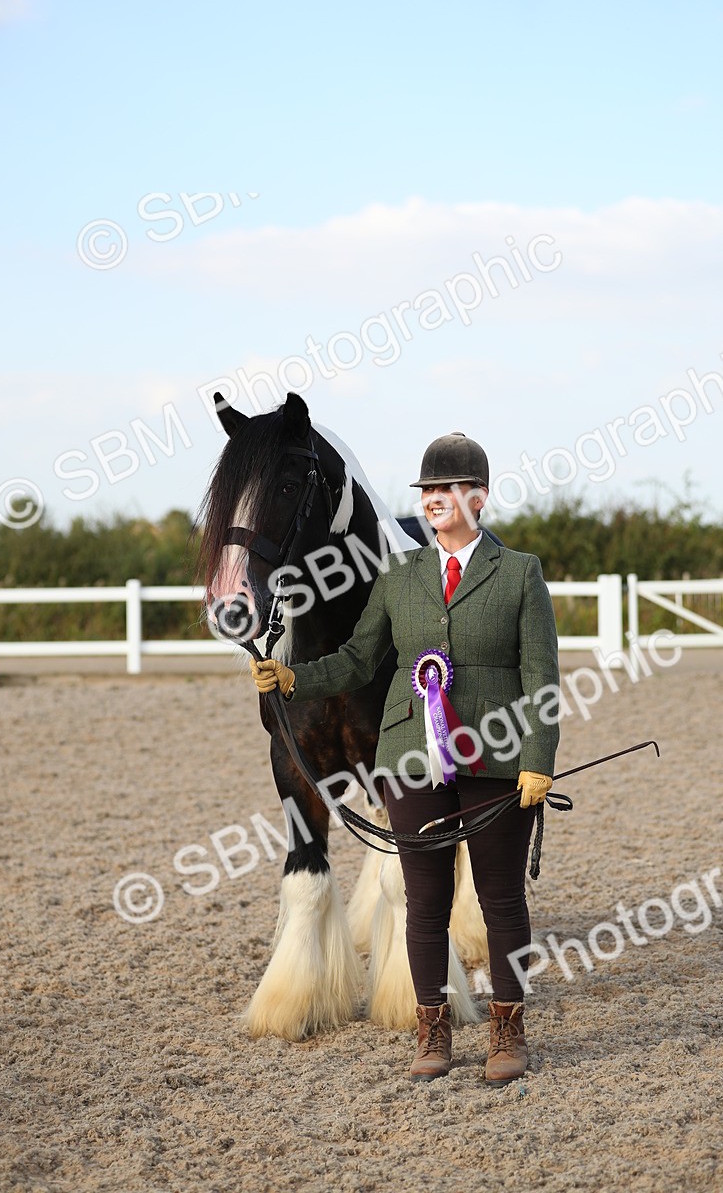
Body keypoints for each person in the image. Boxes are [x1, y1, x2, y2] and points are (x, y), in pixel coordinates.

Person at [249, 431, 560, 1085]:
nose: (436, 502)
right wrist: (293, 677)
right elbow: (360, 658)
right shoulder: (398, 575)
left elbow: (542, 675)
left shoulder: (520, 572)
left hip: (496, 753)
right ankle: (433, 1030)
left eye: (449, 492)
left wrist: (538, 758)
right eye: (428, 493)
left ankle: (508, 1029)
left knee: (501, 898)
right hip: (411, 756)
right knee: (422, 899)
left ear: (478, 496)